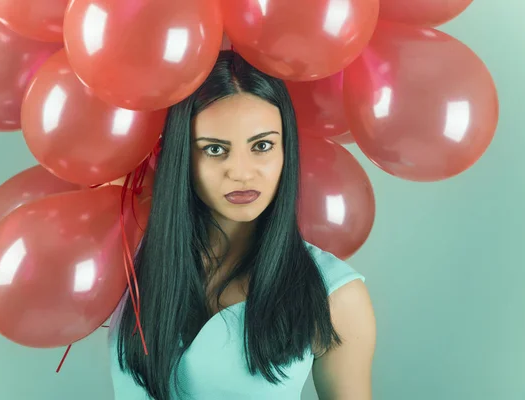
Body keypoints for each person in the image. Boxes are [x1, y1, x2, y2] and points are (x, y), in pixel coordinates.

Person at [107, 51, 376, 400]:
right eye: (216, 150)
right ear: (182, 155)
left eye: (262, 146)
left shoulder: (335, 297)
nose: (241, 172)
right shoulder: (126, 258)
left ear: (285, 151)